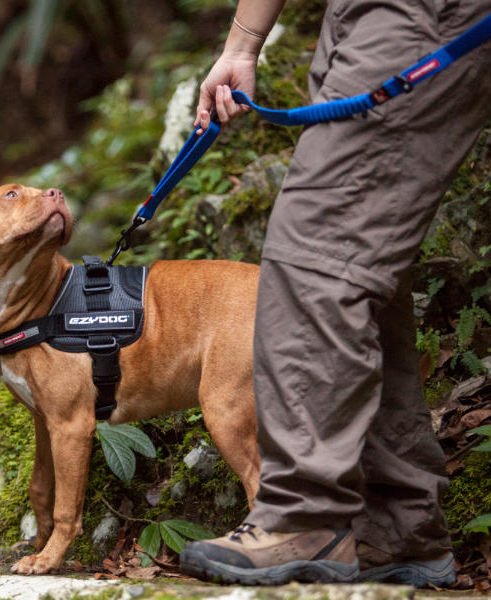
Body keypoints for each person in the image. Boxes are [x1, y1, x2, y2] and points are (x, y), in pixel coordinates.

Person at [179, 0, 491, 587]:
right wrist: (243, 45)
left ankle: (307, 515)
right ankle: (395, 527)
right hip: (357, 18)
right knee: (359, 264)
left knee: (318, 255)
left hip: (423, 15)